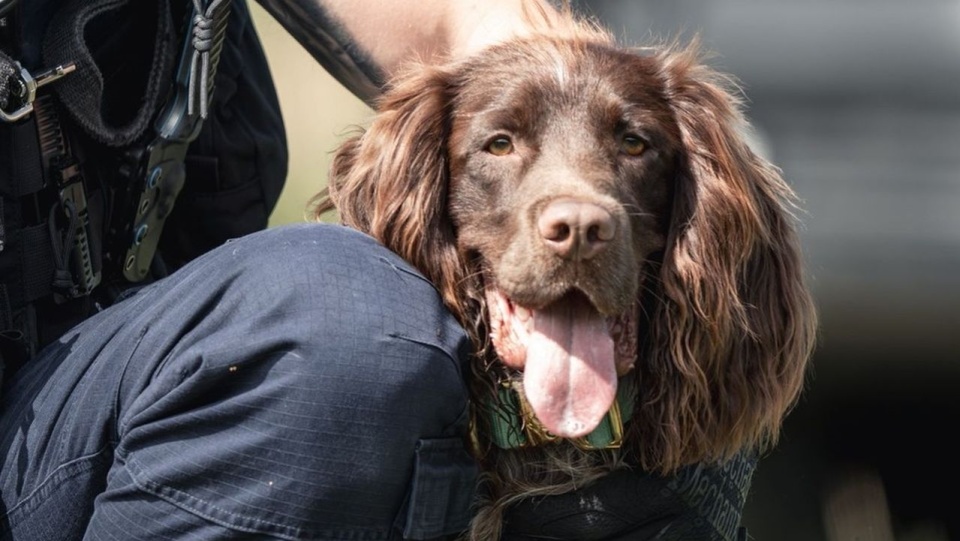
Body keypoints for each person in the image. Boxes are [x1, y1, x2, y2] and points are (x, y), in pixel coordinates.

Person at [0, 1, 754, 539]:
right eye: (498, 147)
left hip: (106, 366)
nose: (577, 217)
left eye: (633, 149)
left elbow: (470, 21)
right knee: (334, 327)